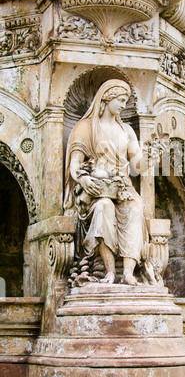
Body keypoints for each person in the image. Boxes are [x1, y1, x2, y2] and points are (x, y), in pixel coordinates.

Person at [64, 79, 163, 286]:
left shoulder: (126, 130)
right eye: (120, 100)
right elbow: (75, 164)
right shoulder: (86, 127)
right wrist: (83, 178)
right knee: (104, 207)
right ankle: (109, 272)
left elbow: (137, 166)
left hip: (123, 188)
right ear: (106, 99)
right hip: (96, 190)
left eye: (126, 100)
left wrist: (151, 155)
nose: (123, 105)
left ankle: (128, 273)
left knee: (135, 209)